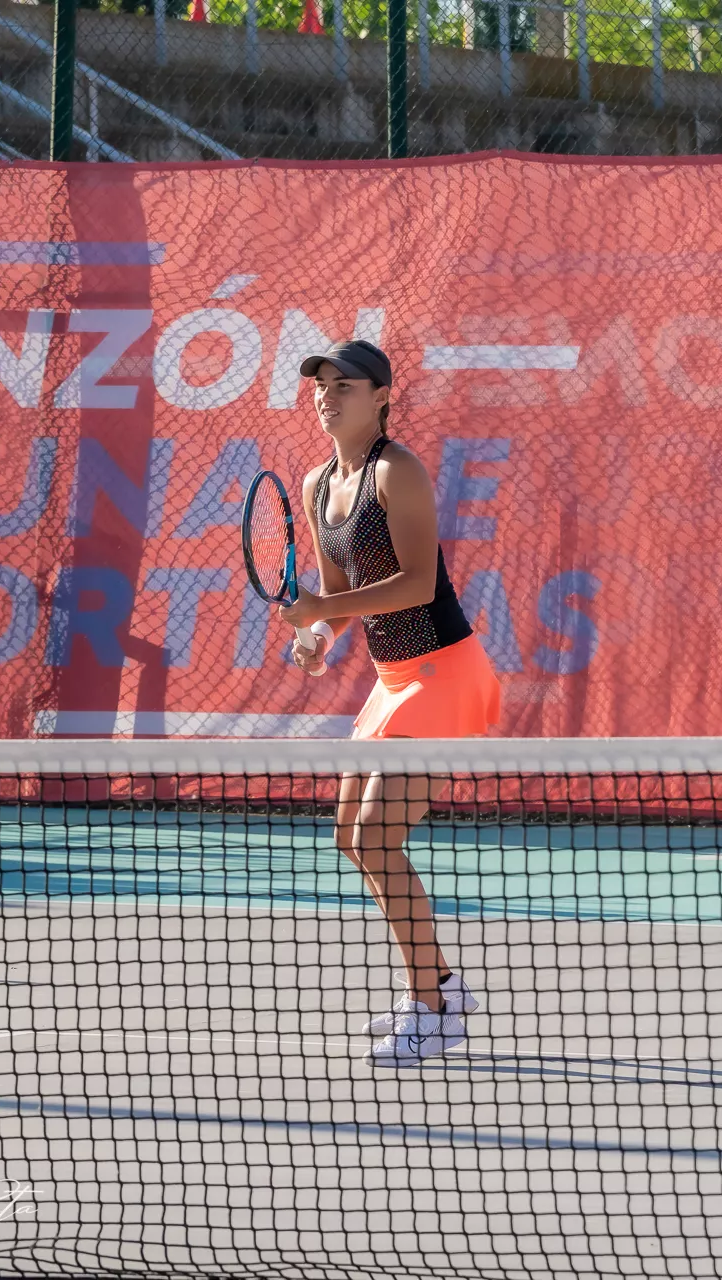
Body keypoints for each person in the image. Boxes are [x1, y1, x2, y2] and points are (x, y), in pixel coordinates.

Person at [276, 340, 502, 1069]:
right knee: (351, 838)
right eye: (319, 385)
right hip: (392, 676)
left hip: (442, 669)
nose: (326, 395)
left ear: (380, 396)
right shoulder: (317, 484)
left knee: (377, 839)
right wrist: (317, 632)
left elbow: (413, 585)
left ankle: (433, 1012)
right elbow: (337, 590)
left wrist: (317, 606)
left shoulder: (394, 471)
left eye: (343, 385)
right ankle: (437, 984)